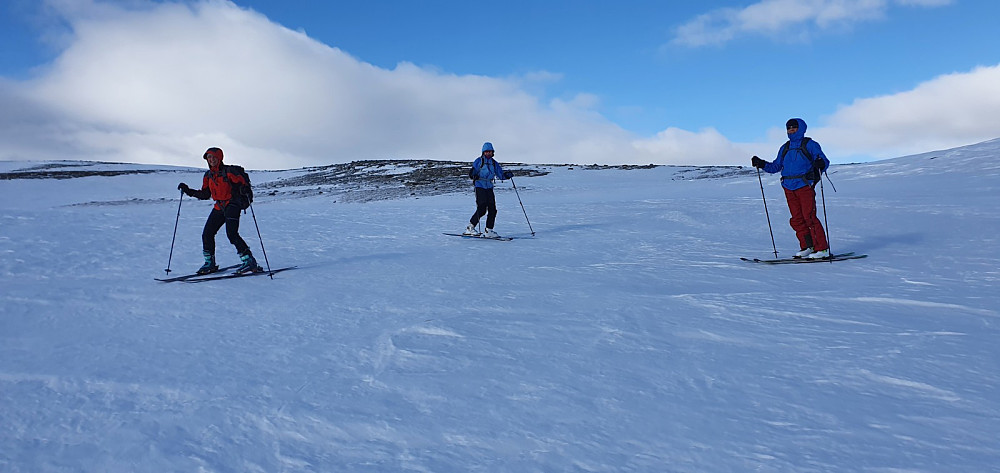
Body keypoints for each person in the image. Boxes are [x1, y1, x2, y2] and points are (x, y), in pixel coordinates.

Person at [751, 118, 832, 259]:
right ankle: (808, 246)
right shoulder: (785, 147)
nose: (791, 130)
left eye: (794, 127)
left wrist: (821, 163)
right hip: (788, 187)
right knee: (797, 219)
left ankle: (822, 249)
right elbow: (776, 166)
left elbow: (824, 161)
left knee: (809, 217)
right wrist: (762, 163)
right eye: (789, 128)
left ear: (801, 128)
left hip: (804, 185)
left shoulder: (810, 145)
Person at [177, 147, 262, 274]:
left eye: (213, 157)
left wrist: (244, 190)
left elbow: (244, 185)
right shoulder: (208, 176)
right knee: (207, 234)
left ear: (220, 158)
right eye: (209, 157)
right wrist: (188, 190)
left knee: (232, 234)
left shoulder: (230, 172)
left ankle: (249, 261)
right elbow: (205, 194)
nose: (211, 160)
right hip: (219, 206)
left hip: (232, 204)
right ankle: (209, 263)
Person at [464, 142, 513, 238]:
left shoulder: (494, 163)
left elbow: (500, 175)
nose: (488, 153)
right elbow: (473, 172)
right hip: (480, 186)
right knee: (482, 208)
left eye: (490, 151)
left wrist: (506, 175)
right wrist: (473, 174)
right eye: (486, 152)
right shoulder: (479, 161)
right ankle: (470, 228)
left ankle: (489, 230)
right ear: (483, 152)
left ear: (492, 152)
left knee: (492, 209)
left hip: (489, 187)